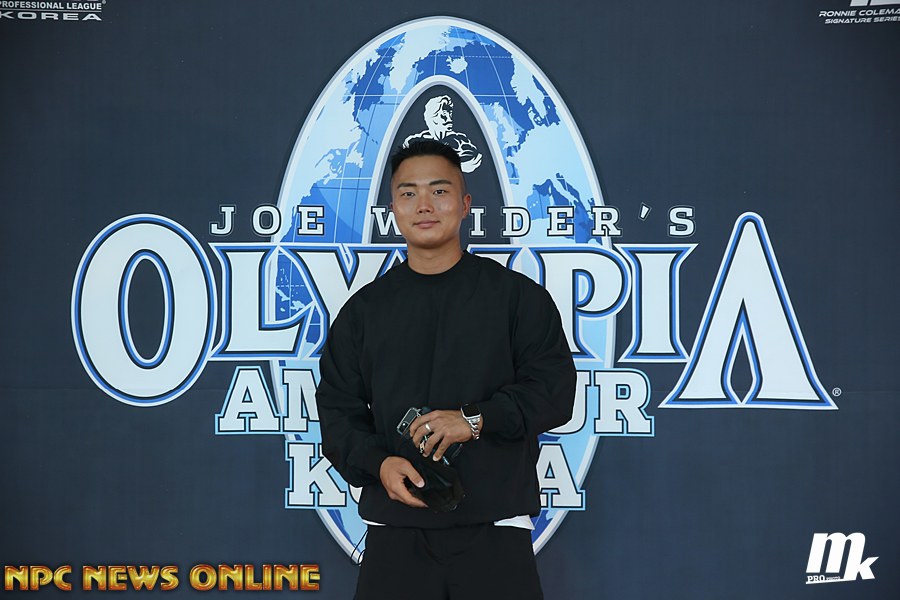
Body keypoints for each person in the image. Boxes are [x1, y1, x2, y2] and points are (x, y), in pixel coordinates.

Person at [316, 140, 576, 600]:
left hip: (495, 528)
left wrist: (475, 419)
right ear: (392, 209)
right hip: (396, 533)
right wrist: (379, 463)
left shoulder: (517, 298)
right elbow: (338, 413)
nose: (424, 205)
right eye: (409, 193)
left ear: (465, 203)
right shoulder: (363, 312)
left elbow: (554, 393)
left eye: (439, 191)